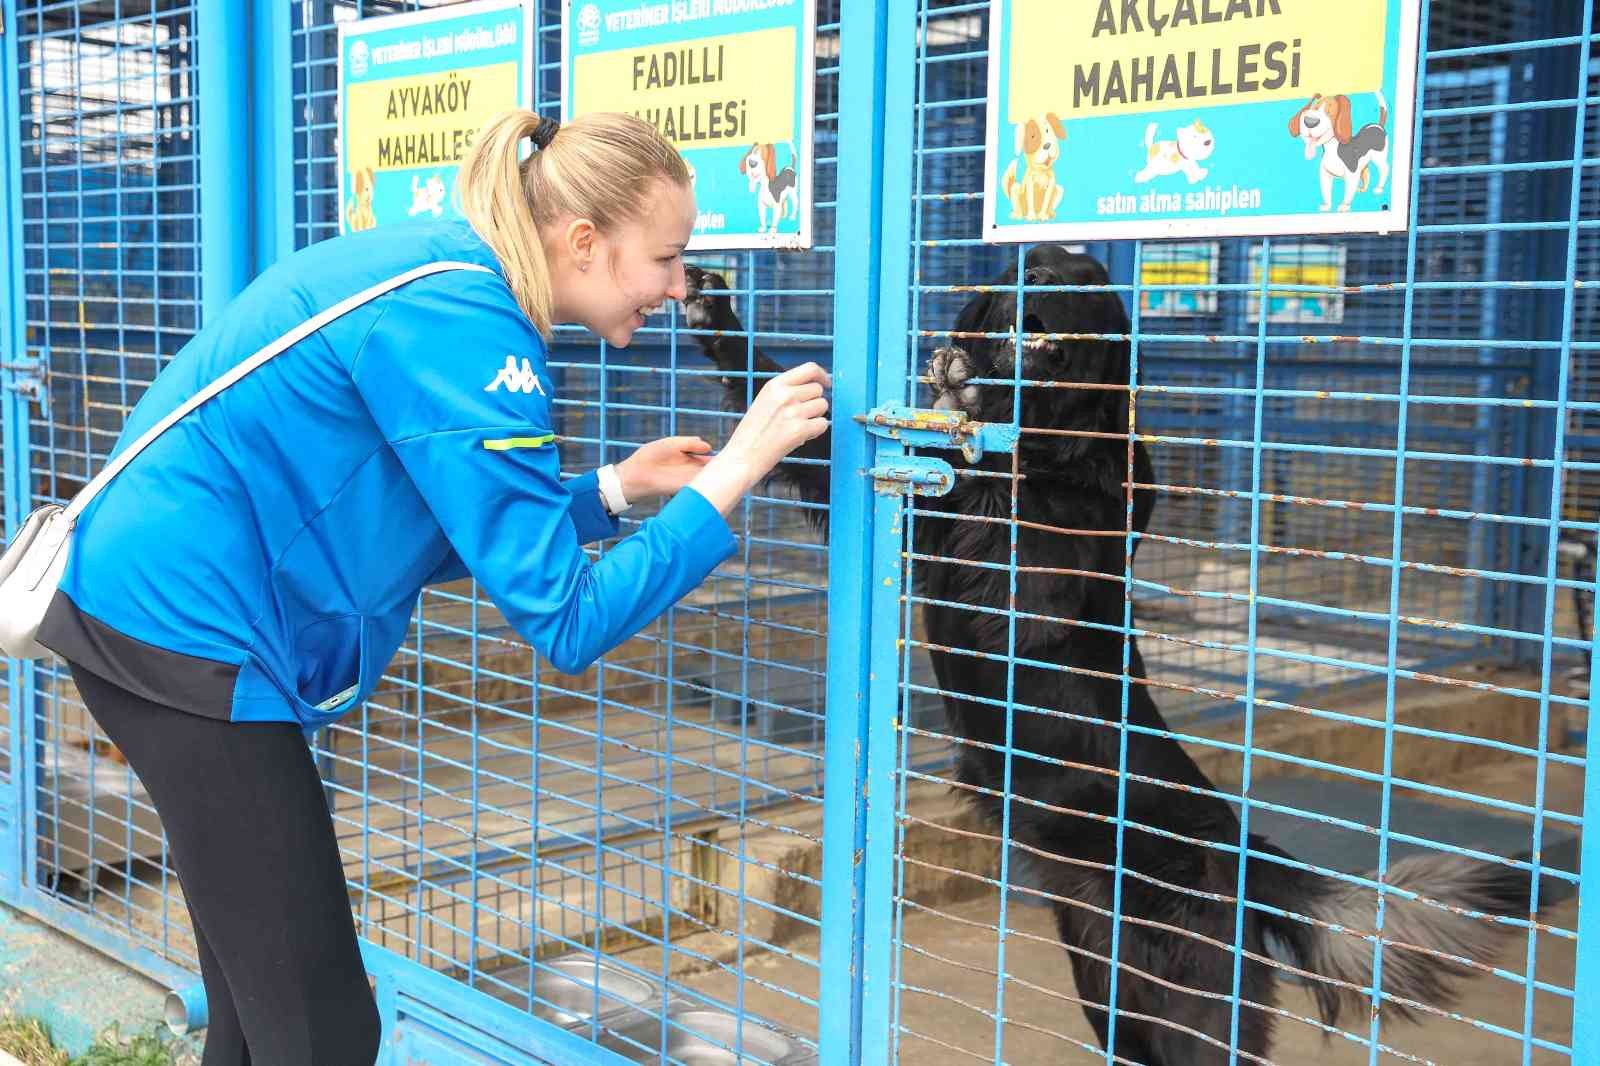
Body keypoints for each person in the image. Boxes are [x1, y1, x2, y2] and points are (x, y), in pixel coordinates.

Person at [35, 110, 830, 1066]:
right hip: (183, 632)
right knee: (325, 1032)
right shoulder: (469, 326)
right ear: (584, 240)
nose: (677, 285)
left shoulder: (451, 273)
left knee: (262, 1018)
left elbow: (430, 520)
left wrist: (614, 490)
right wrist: (734, 469)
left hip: (156, 613)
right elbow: (567, 620)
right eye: (666, 257)